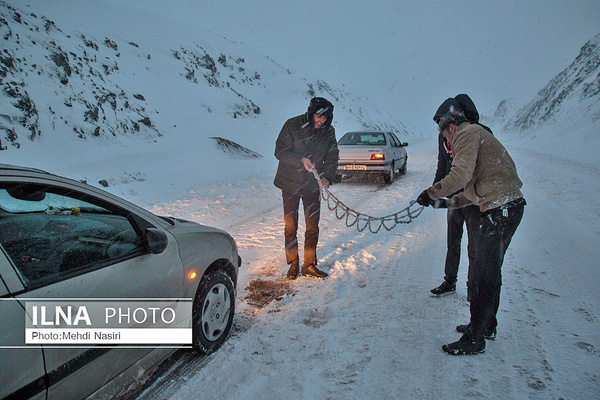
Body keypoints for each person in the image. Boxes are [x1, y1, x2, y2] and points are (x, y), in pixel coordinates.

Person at [417, 99, 525, 355]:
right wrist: (442, 203)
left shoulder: (466, 134)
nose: (444, 140)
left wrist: (431, 192)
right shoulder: (476, 133)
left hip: (500, 210)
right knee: (486, 270)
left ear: (450, 126)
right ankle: (485, 325)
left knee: (483, 273)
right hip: (504, 206)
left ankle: (475, 338)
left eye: (443, 133)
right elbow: (472, 189)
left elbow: (459, 176)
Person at [429, 95, 491, 298]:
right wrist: (435, 191)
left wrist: (486, 199)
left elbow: (485, 169)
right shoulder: (443, 138)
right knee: (452, 242)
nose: (442, 131)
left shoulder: (479, 132)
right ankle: (449, 282)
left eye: (443, 124)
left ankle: (473, 288)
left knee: (475, 246)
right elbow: (443, 166)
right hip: (455, 199)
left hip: (476, 199)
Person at [274, 97, 339, 280]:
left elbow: (333, 156)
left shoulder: (329, 132)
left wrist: (327, 176)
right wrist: (300, 160)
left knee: (312, 226)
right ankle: (293, 263)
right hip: (290, 183)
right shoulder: (292, 125)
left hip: (312, 185)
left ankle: (309, 265)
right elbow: (280, 151)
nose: (322, 121)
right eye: (319, 116)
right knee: (290, 226)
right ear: (311, 113)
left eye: (326, 117)